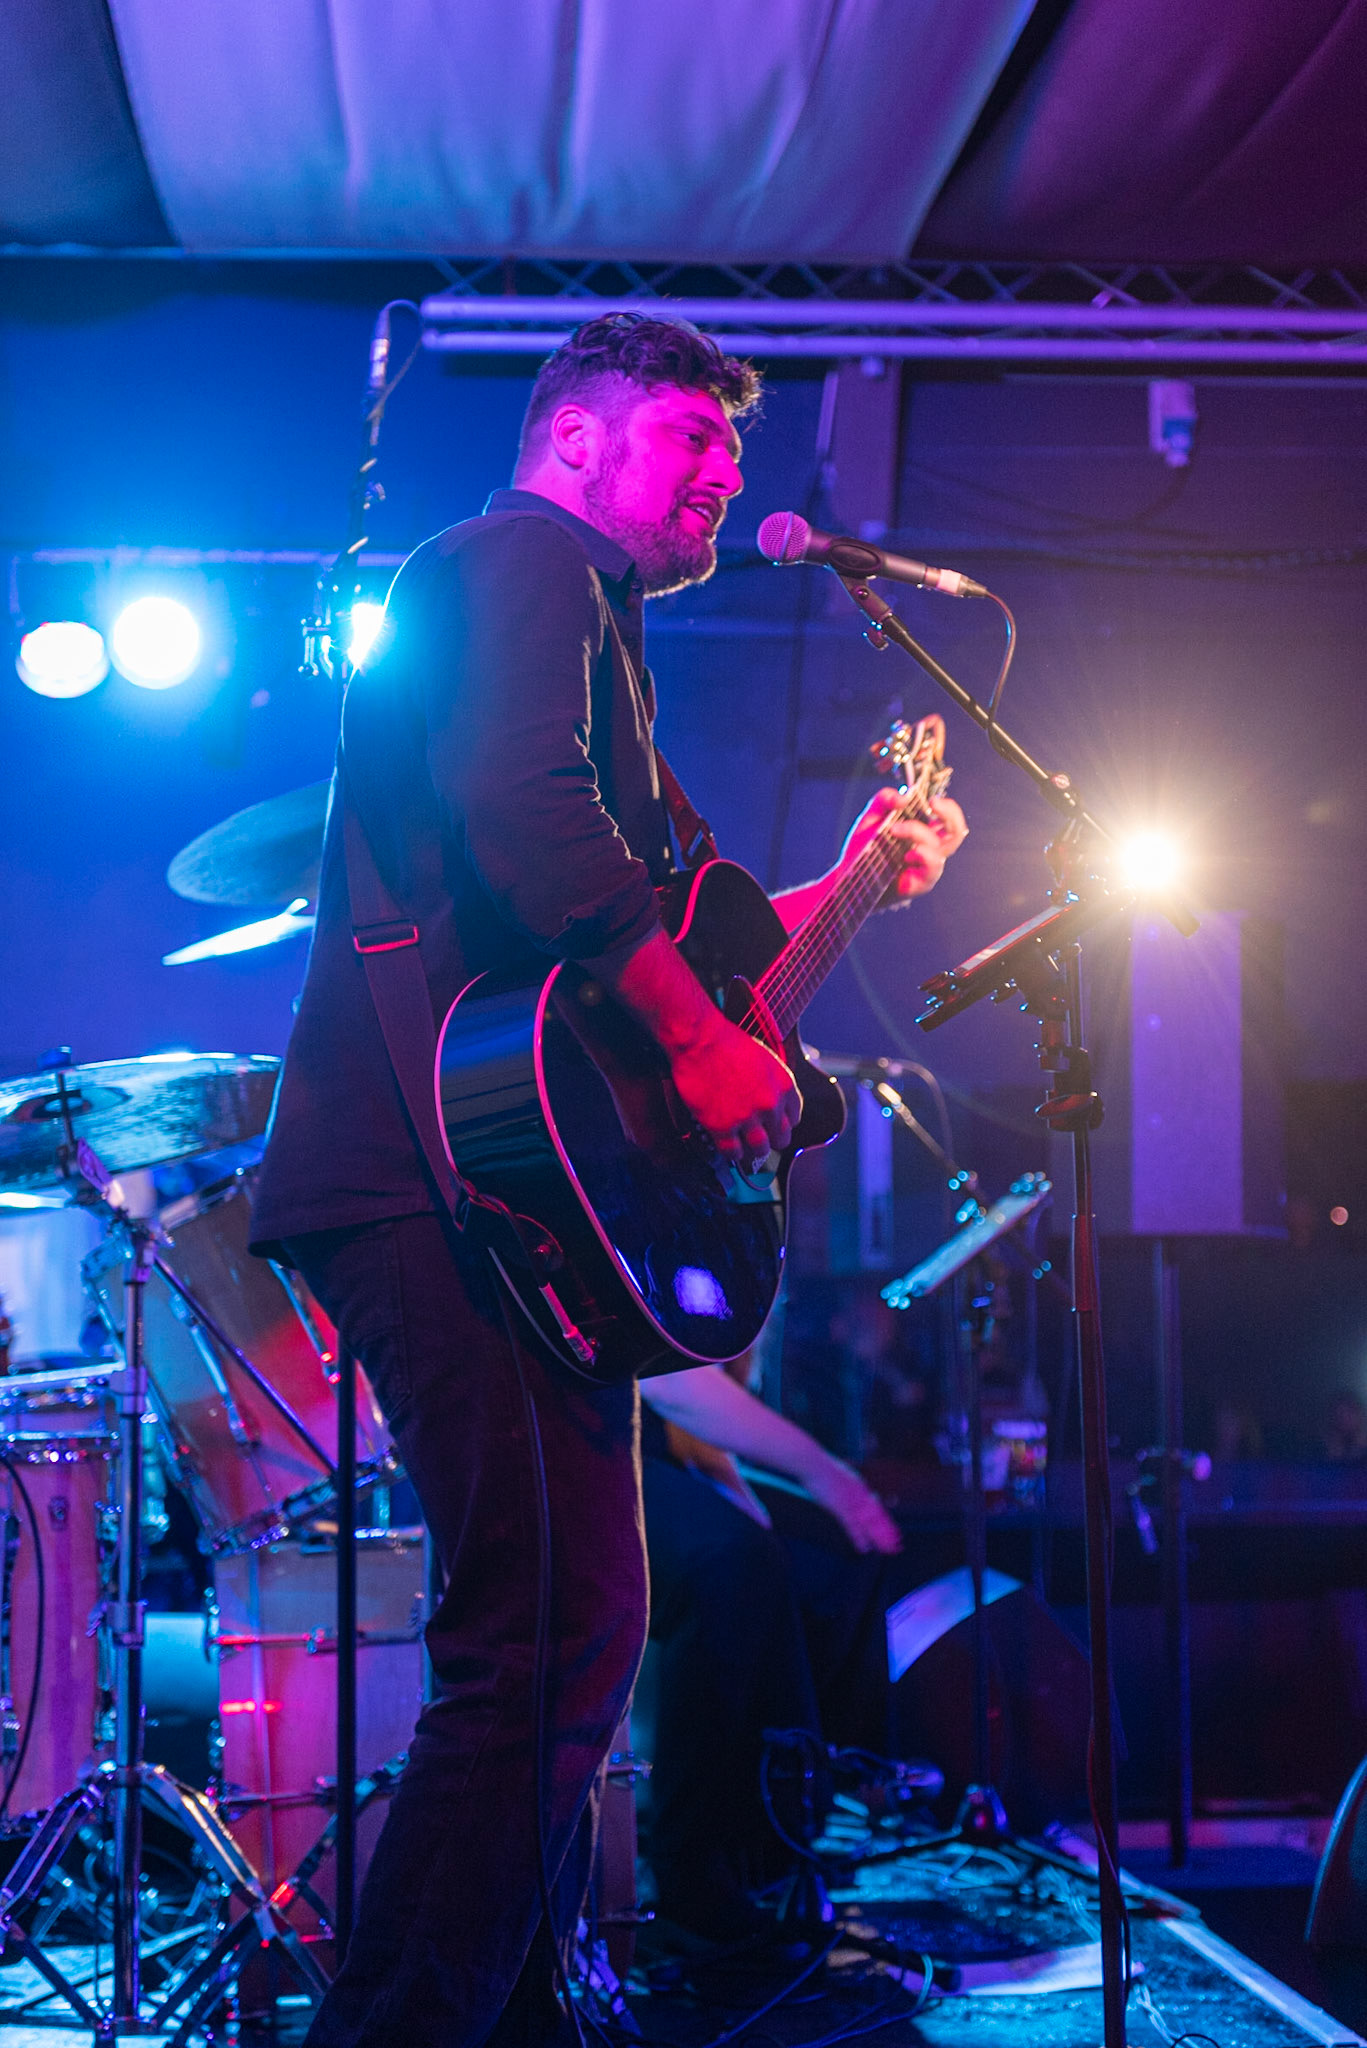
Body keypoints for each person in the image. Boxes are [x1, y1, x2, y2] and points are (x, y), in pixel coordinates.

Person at [250, 312, 966, 2048]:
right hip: (425, 1172)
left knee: (572, 1631)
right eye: (689, 437)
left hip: (502, 1187)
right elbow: (526, 810)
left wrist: (857, 884)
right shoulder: (520, 562)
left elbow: (703, 956)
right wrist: (699, 1043)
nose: (726, 472)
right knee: (542, 1635)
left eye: (734, 447)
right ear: (574, 436)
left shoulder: (598, 633)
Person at [637, 1362, 902, 1941]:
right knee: (731, 1562)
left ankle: (796, 1817)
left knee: (846, 1545)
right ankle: (688, 1870)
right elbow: (668, 1384)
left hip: (661, 1449)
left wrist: (736, 1486)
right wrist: (826, 1474)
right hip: (585, 1454)